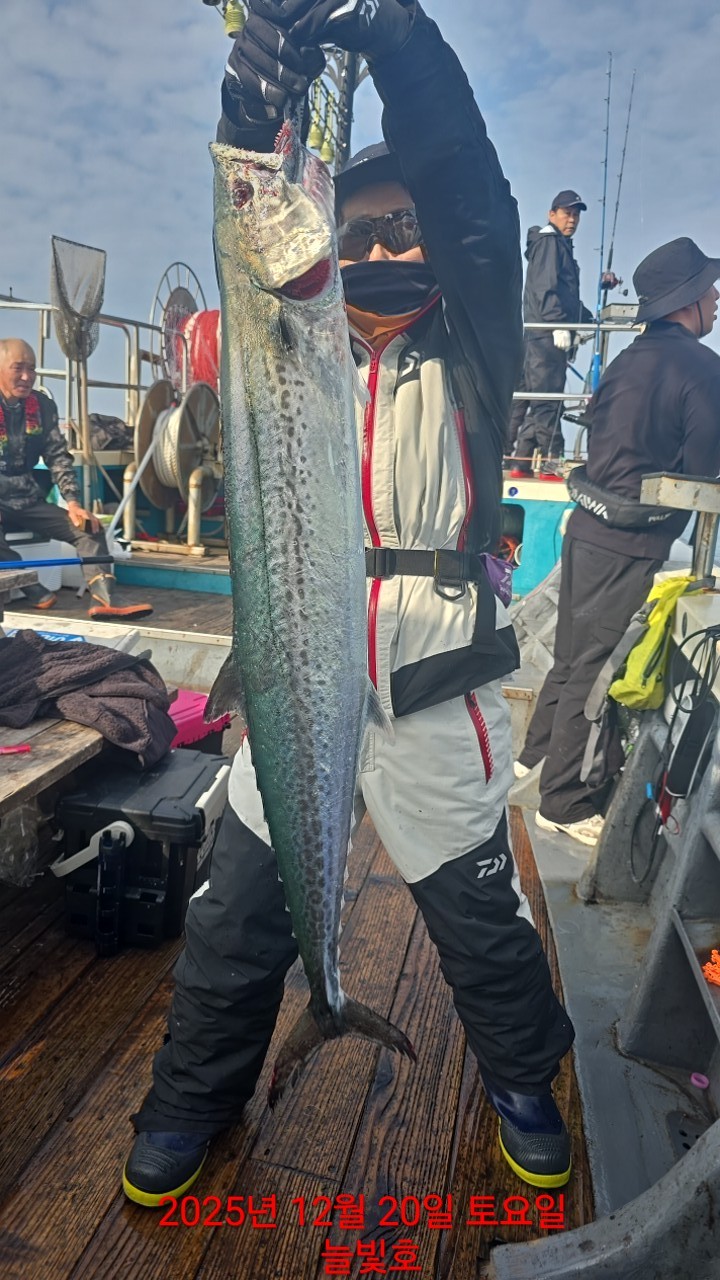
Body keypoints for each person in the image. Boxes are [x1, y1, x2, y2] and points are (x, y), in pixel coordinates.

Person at [123, 0, 575, 1207]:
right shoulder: (286, 335)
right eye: (359, 227)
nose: (377, 247)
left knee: (480, 920)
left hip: (433, 681)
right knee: (232, 914)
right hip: (294, 670)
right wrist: (247, 120)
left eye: (401, 227)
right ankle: (190, 1096)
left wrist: (399, 43)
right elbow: (254, 226)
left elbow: (470, 189)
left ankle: (525, 1081)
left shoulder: (474, 346)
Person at [516, 237, 720, 846]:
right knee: (597, 669)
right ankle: (565, 802)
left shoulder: (629, 359)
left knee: (570, 658)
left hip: (585, 529)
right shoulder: (702, 368)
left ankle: (533, 759)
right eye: (708, 288)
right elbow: (704, 471)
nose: (716, 297)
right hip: (629, 545)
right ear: (687, 299)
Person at [0, 338, 152, 619]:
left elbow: (57, 456)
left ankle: (105, 597)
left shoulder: (42, 406)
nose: (27, 376)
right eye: (18, 368)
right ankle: (32, 588)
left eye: (32, 369)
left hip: (27, 499)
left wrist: (73, 503)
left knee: (88, 528)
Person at [507, 192, 612, 479]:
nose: (572, 219)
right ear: (551, 214)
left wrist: (589, 320)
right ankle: (551, 462)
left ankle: (517, 461)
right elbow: (545, 288)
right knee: (547, 400)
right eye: (567, 213)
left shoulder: (559, 246)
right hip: (545, 337)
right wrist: (557, 325)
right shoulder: (550, 243)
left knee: (528, 398)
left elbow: (567, 296)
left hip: (540, 335)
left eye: (576, 214)